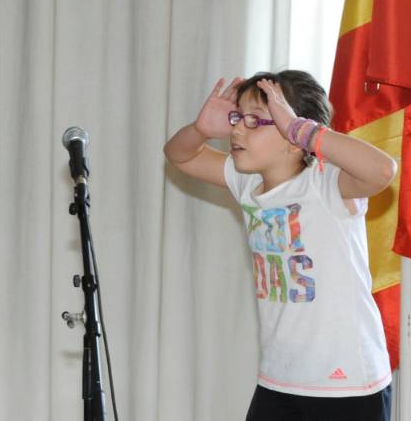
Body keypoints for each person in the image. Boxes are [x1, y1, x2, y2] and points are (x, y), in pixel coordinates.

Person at [164, 70, 394, 421]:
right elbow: (180, 156)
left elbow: (382, 170)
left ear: (293, 138)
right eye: (237, 118)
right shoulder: (247, 183)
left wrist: (303, 130)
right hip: (280, 379)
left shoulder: (326, 184)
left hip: (346, 383)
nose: (237, 130)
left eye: (255, 121)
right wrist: (201, 130)